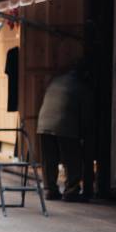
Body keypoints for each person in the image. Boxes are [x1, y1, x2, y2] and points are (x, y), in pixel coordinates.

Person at [37, 66, 92, 202]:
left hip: (43, 123)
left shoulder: (56, 80)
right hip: (64, 124)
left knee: (49, 159)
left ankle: (50, 190)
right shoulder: (81, 86)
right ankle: (71, 191)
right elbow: (85, 115)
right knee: (72, 158)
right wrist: (86, 135)